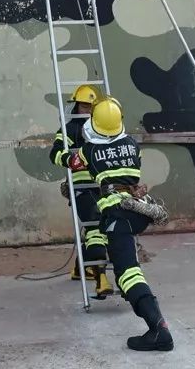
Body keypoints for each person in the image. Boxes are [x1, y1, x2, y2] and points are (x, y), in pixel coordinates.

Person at [72, 96, 173, 353]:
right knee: (129, 267)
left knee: (128, 274)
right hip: (137, 211)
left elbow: (70, 163)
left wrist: (64, 147)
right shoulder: (131, 143)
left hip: (118, 214)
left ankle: (158, 329)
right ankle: (156, 323)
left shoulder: (89, 150)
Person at [49, 84, 112, 299]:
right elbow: (55, 153)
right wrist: (70, 159)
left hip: (102, 185)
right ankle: (101, 278)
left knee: (99, 226)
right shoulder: (70, 130)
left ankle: (80, 268)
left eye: (90, 106)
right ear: (76, 105)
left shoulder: (104, 128)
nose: (86, 109)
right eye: (83, 105)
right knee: (95, 227)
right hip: (82, 189)